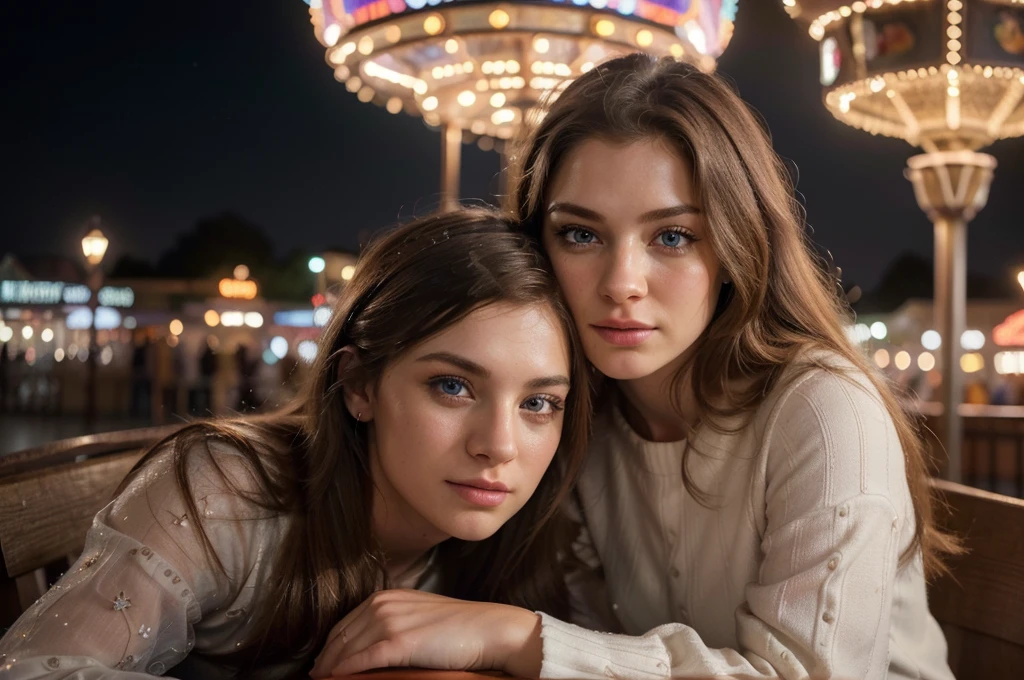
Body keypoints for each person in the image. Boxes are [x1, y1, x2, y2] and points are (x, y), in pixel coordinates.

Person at [310, 55, 959, 680]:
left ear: (737, 244)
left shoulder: (822, 410)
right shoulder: (564, 413)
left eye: (671, 236)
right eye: (581, 235)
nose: (622, 284)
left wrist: (515, 635)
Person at [0, 209, 590, 679]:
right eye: (453, 386)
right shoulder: (228, 490)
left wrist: (523, 638)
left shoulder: (544, 529)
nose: (499, 446)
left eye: (539, 403)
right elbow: (36, 669)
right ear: (358, 385)